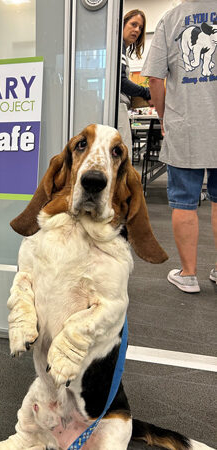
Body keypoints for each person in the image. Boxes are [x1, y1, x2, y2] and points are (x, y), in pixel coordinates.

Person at [141, 0, 217, 293]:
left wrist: (163, 116)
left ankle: (188, 274)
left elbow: (155, 78)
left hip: (186, 123)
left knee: (184, 200)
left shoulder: (171, 18)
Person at [118, 9, 152, 158]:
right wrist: (146, 92)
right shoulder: (118, 47)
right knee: (125, 157)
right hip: (117, 108)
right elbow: (121, 82)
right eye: (133, 24)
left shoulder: (121, 49)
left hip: (119, 107)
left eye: (140, 28)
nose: (137, 30)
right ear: (123, 24)